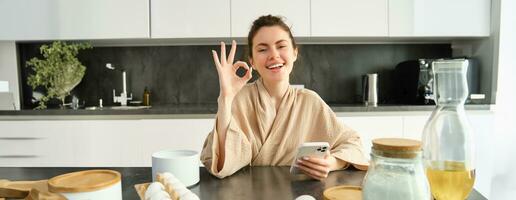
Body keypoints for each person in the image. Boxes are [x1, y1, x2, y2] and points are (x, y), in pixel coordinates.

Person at [201, 15, 368, 180]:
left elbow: (352, 143)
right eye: (262, 49)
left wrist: (331, 163)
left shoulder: (310, 101)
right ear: (252, 61)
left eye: (281, 46)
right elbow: (221, 163)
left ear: (294, 53)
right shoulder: (239, 99)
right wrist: (225, 99)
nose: (273, 55)